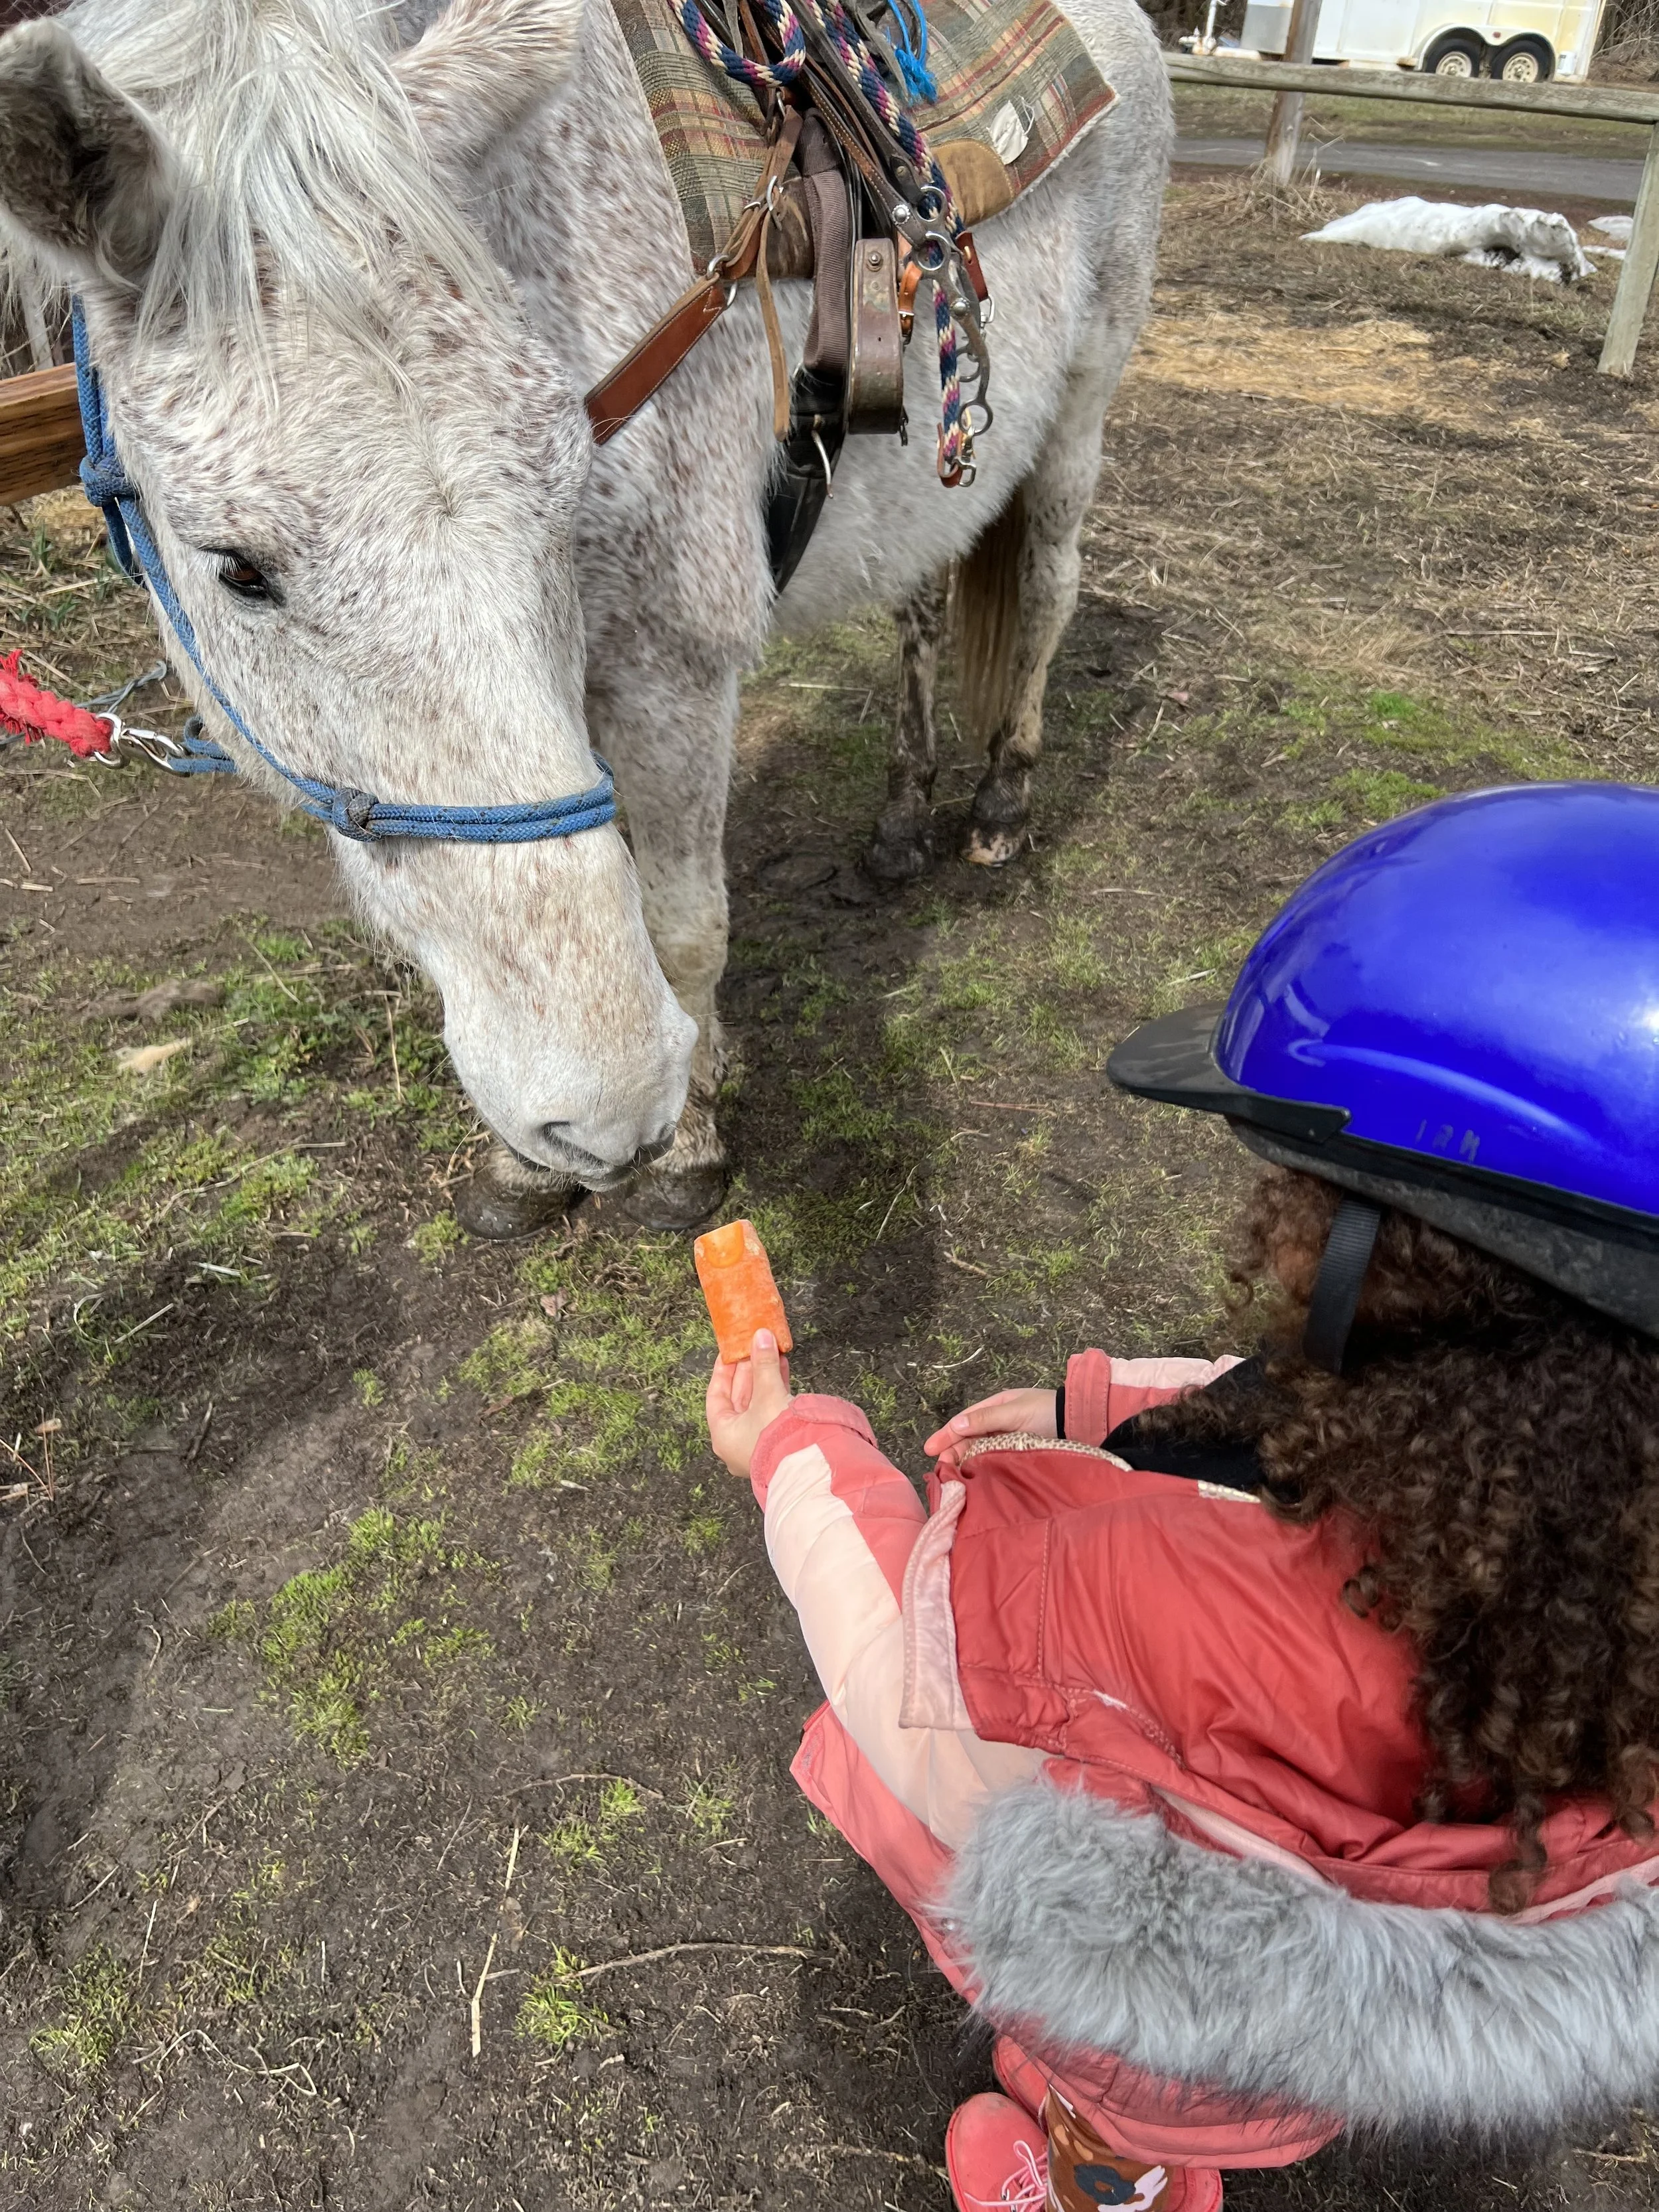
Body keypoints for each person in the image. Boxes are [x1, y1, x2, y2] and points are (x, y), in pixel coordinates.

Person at [704, 782, 1659, 2212]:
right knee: (1232, 2098)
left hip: (1155, 2019)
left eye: (1296, 1199)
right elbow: (1395, 1425)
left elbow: (915, 1695)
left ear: (1381, 1265)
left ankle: (1097, 2173)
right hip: (1346, 2042)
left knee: (1105, 2053)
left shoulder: (1132, 1582)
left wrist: (793, 1448)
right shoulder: (1586, 1522)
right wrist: (1115, 1406)